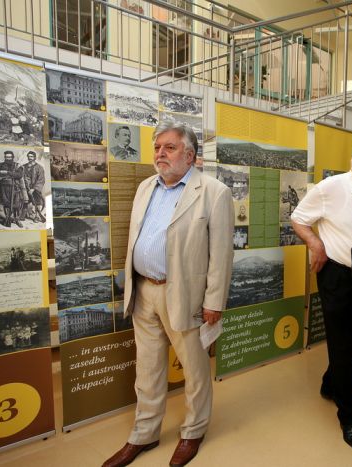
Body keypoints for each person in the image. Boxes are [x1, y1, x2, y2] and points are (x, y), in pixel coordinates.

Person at [103, 122, 234, 467]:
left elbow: (221, 255)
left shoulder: (214, 192)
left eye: (170, 147)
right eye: (158, 147)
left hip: (186, 295)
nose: (160, 153)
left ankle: (193, 431)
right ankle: (144, 434)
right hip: (143, 290)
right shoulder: (146, 187)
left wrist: (214, 302)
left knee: (195, 370)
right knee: (147, 369)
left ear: (189, 155)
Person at [291, 139, 352, 451]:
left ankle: (330, 381)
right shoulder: (330, 188)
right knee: (341, 344)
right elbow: (298, 218)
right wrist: (315, 244)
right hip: (338, 276)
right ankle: (349, 417)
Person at [0, 150, 25, 228]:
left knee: (16, 204)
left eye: (9, 157)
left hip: (15, 187)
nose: (8, 158)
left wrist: (7, 172)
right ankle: (8, 218)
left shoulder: (17, 165)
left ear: (12, 157)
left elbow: (19, 175)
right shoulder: (0, 165)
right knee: (6, 203)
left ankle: (17, 219)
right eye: (6, 157)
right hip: (3, 187)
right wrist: (2, 174)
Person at [21, 150, 47, 223]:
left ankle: (37, 216)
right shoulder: (24, 166)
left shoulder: (39, 167)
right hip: (25, 187)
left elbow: (41, 180)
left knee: (37, 201)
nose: (30, 158)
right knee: (24, 200)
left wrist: (33, 189)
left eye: (32, 156)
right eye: (29, 156)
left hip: (35, 188)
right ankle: (23, 215)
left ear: (35, 157)